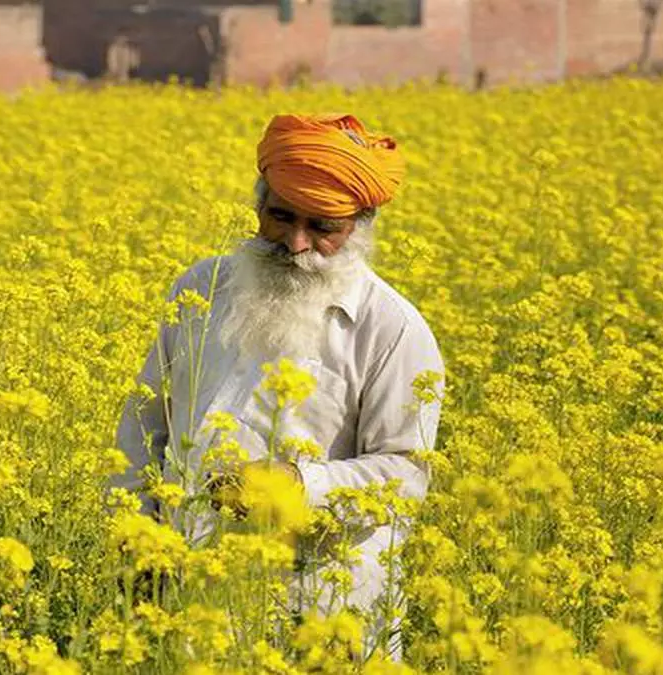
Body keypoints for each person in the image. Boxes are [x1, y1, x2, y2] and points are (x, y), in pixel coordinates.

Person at [112, 113, 445, 661]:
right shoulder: (200, 287)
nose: (295, 243)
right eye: (280, 216)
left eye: (323, 228)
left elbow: (407, 472)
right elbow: (146, 422)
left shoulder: (393, 329)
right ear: (257, 206)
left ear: (359, 229)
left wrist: (296, 484)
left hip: (324, 608)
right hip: (196, 596)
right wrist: (132, 536)